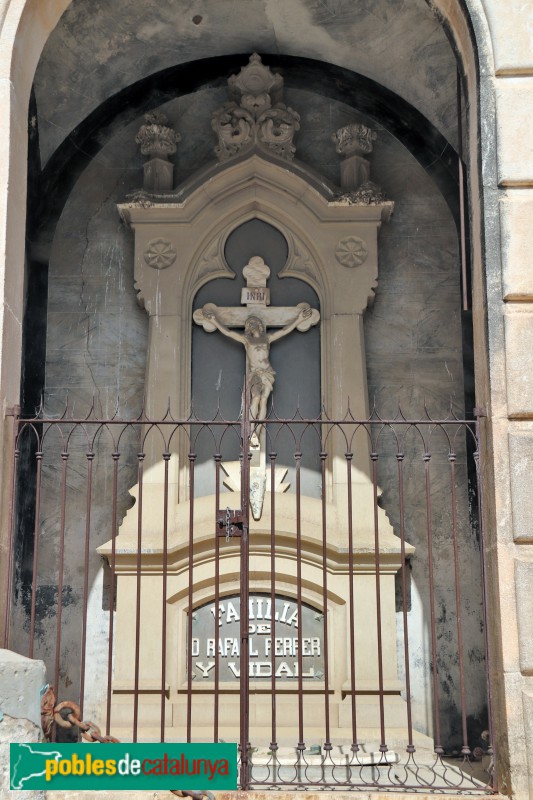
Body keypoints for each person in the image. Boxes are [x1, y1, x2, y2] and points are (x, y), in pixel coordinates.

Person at [201, 303, 313, 428]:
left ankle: (258, 430)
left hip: (268, 372)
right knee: (256, 397)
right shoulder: (246, 340)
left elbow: (283, 331)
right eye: (249, 324)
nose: (251, 325)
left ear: (259, 325)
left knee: (264, 399)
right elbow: (228, 332)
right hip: (255, 373)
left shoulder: (267, 338)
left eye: (253, 323)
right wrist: (214, 321)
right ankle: (250, 429)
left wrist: (299, 319)